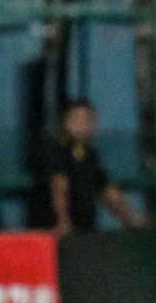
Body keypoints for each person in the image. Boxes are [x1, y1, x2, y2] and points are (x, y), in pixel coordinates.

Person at [33, 97, 143, 234]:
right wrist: (63, 222)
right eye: (76, 120)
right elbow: (59, 187)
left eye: (87, 120)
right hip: (55, 235)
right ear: (63, 121)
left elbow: (107, 190)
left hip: (86, 231)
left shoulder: (87, 153)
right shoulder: (52, 150)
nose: (82, 126)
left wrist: (130, 219)